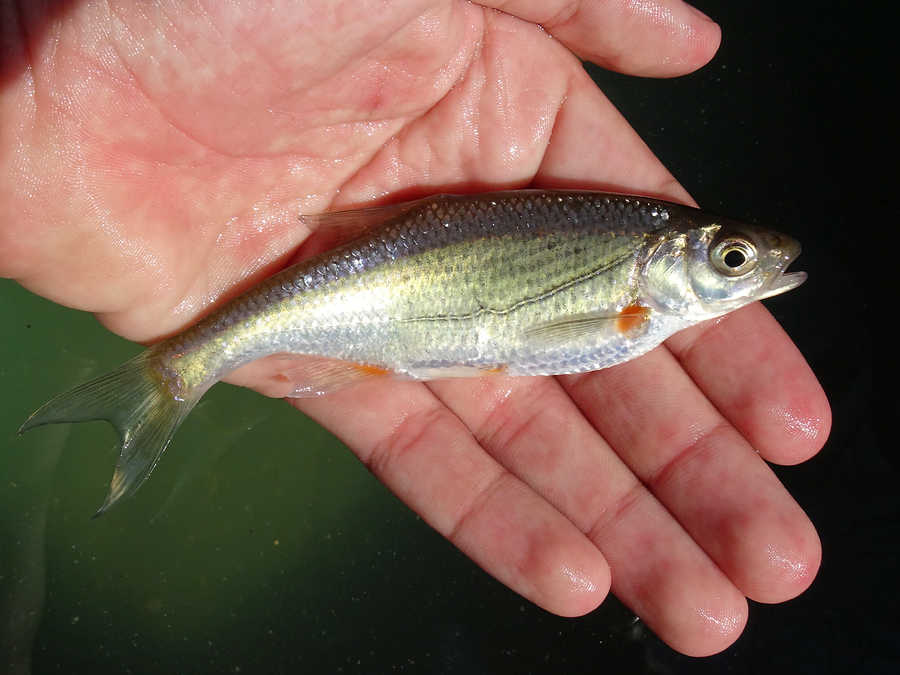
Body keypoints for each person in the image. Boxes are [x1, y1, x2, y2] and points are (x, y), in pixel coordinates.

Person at [0, 0, 829, 656]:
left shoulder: (640, 292)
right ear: (666, 258)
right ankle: (169, 379)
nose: (750, 269)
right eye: (731, 258)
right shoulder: (638, 297)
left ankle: (172, 378)